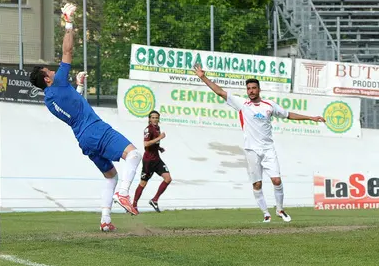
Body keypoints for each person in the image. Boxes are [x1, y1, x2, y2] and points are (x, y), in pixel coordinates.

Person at [29, 3, 143, 232]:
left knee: (110, 176)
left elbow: (74, 110)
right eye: (48, 71)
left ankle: (105, 220)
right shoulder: (58, 82)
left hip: (83, 139)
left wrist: (79, 86)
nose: (52, 70)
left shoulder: (49, 100)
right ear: (48, 79)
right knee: (134, 155)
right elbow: (68, 52)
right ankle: (124, 193)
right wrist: (68, 22)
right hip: (95, 129)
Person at [194, 63, 326, 222]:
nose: (251, 91)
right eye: (248, 88)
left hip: (268, 149)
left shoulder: (269, 105)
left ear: (259, 89)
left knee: (277, 180)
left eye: (254, 88)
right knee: (257, 184)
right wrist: (203, 77)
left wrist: (311, 118)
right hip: (251, 150)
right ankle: (266, 213)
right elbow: (219, 91)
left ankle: (280, 209)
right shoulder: (242, 104)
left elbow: (288, 114)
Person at [132, 110, 172, 213]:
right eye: (153, 117)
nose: (155, 119)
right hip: (148, 161)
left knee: (168, 178)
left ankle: (155, 200)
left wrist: (159, 148)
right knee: (143, 183)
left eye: (156, 117)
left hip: (156, 159)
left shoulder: (157, 128)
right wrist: (159, 137)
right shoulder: (148, 130)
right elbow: (146, 144)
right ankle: (134, 205)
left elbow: (153, 143)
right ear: (149, 119)